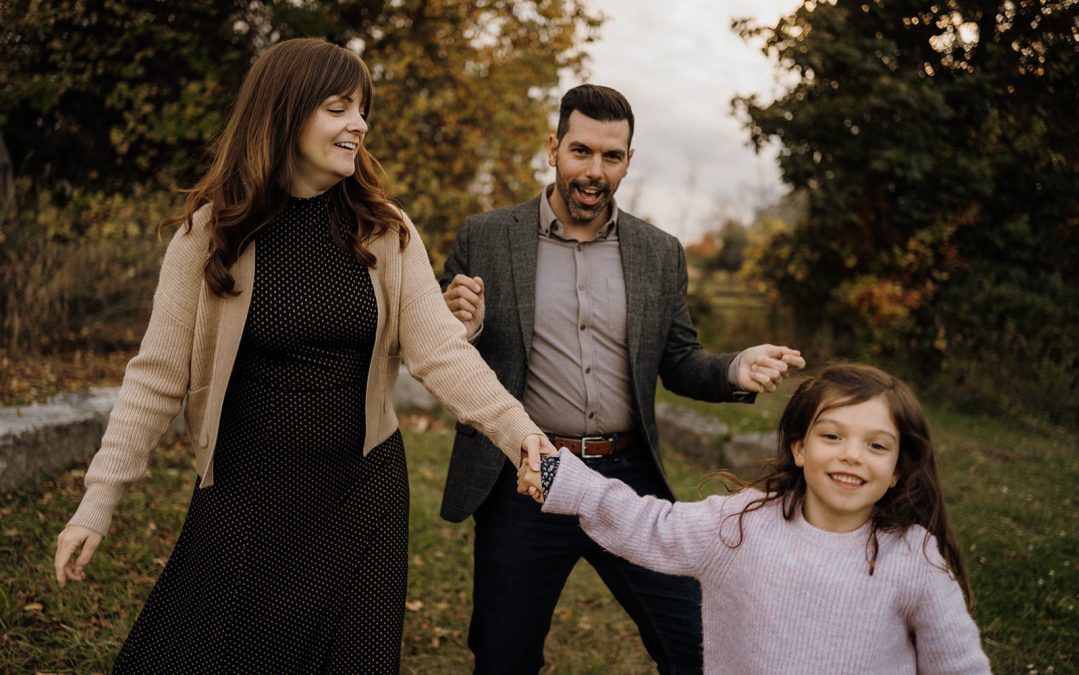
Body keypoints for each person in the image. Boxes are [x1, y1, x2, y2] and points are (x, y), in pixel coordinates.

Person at [52, 37, 555, 673]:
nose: (360, 125)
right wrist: (97, 502)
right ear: (286, 114)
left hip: (360, 496)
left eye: (362, 110)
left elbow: (442, 356)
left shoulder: (386, 231)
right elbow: (155, 380)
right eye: (340, 108)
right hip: (244, 491)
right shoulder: (210, 234)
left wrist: (520, 433)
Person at [440, 83, 805, 673]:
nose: (594, 171)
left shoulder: (659, 252)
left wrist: (734, 368)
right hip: (528, 475)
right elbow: (448, 353)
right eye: (581, 152)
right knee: (503, 658)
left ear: (629, 161)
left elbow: (681, 361)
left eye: (612, 157)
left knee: (696, 645)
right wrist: (469, 327)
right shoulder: (485, 237)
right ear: (553, 147)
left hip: (628, 478)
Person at [520, 363, 992, 673]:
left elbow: (958, 665)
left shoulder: (913, 557)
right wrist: (565, 479)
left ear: (896, 471)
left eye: (876, 445)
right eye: (832, 436)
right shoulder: (741, 526)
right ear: (800, 448)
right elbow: (652, 525)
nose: (852, 456)